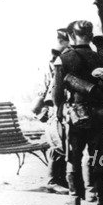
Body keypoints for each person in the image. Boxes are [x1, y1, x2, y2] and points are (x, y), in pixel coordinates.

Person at [52, 20, 103, 205]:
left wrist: (59, 109)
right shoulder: (100, 58)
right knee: (99, 155)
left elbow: (57, 91)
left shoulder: (64, 58)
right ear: (91, 36)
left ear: (72, 35)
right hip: (98, 113)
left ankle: (75, 196)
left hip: (76, 113)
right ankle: (102, 197)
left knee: (74, 156)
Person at [32, 28, 71, 194]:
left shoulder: (57, 57)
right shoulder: (56, 59)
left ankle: (58, 178)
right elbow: (50, 86)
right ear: (63, 41)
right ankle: (53, 180)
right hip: (55, 105)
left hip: (54, 105)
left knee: (60, 142)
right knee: (58, 142)